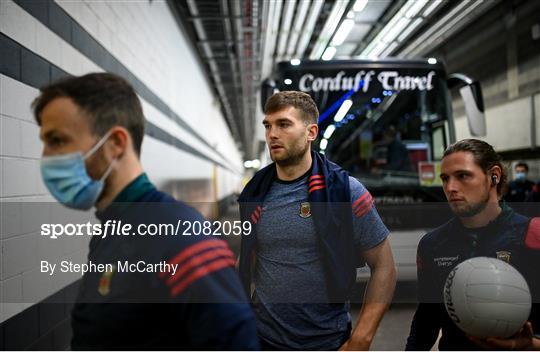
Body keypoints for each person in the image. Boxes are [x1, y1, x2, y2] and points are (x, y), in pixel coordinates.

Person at [33, 72, 259, 349]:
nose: (46, 157)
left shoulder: (180, 237)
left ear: (115, 144)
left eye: (57, 141)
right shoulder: (113, 230)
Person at [238, 91, 397, 350]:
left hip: (328, 341)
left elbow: (384, 267)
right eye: (268, 126)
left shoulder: (346, 192)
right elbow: (249, 258)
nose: (272, 134)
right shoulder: (255, 192)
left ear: (311, 132)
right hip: (263, 339)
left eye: (284, 124)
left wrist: (361, 338)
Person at [406, 139, 540, 350]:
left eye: (463, 176)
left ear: (494, 176)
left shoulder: (533, 236)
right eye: (445, 178)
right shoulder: (433, 244)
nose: (451, 188)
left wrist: (532, 345)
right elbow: (427, 319)